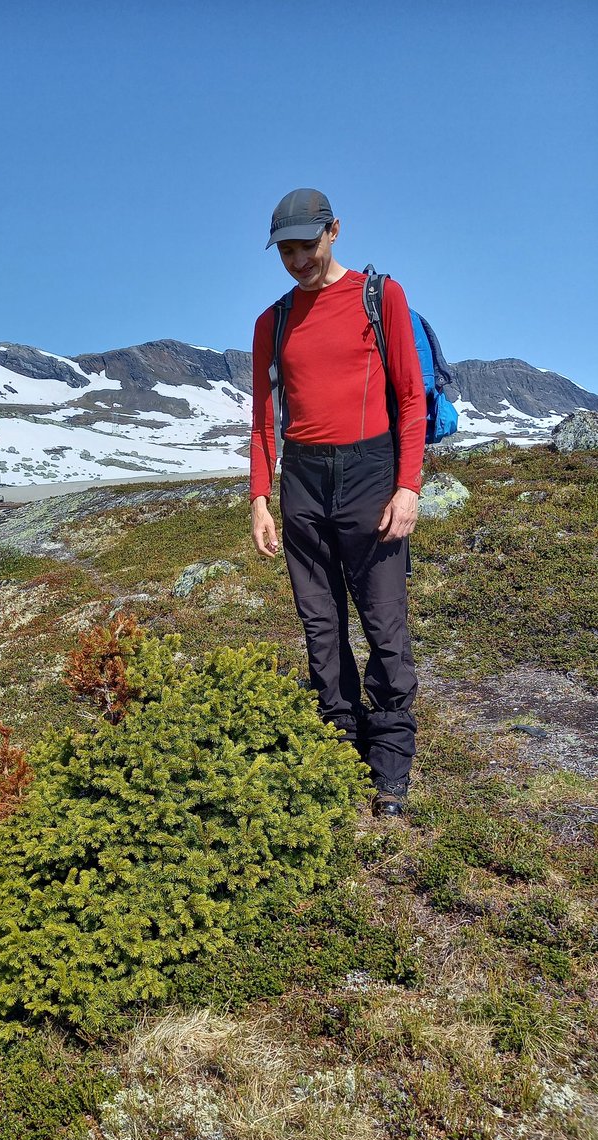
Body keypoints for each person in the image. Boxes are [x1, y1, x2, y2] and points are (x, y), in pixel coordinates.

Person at [249, 188, 426, 818]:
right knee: (320, 625)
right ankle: (338, 746)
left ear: (335, 231)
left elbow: (410, 397)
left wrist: (408, 486)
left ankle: (391, 764)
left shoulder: (382, 297)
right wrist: (260, 498)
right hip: (301, 479)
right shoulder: (271, 323)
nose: (297, 260)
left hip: (371, 471)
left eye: (306, 245)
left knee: (383, 620)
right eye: (286, 251)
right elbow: (264, 420)